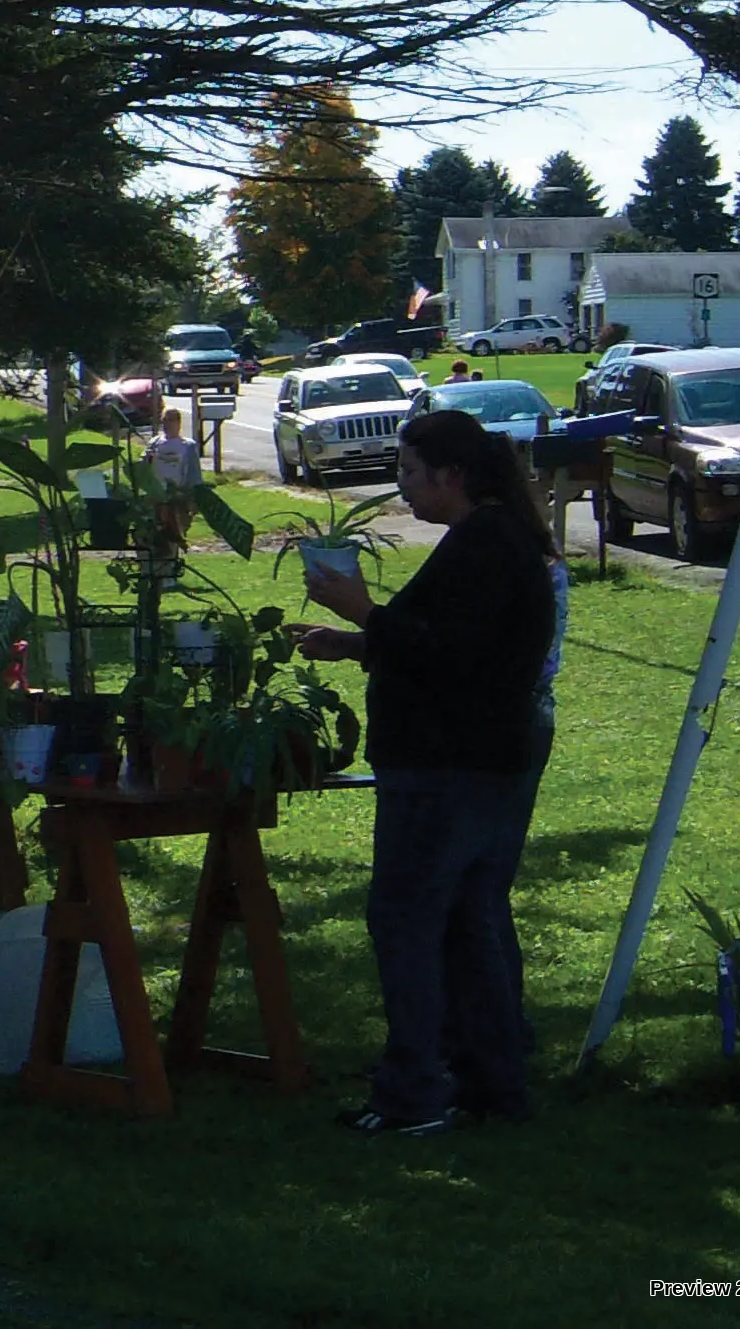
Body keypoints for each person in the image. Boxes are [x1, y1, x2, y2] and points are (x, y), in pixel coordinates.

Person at [291, 406, 560, 1135]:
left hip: (448, 762)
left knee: (408, 918)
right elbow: (446, 644)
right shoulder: (489, 538)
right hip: (475, 757)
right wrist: (354, 643)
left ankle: (414, 1091)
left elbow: (455, 658)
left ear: (452, 473)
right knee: (467, 918)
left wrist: (365, 612)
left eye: (410, 471)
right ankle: (489, 1081)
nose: (402, 484)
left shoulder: (487, 544)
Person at [148, 409, 202, 549]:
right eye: (165, 420)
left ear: (179, 423)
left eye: (171, 420)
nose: (167, 424)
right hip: (157, 495)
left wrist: (193, 498)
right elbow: (144, 464)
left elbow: (194, 473)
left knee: (176, 531)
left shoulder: (188, 445)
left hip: (178, 496)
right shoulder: (155, 443)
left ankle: (173, 558)